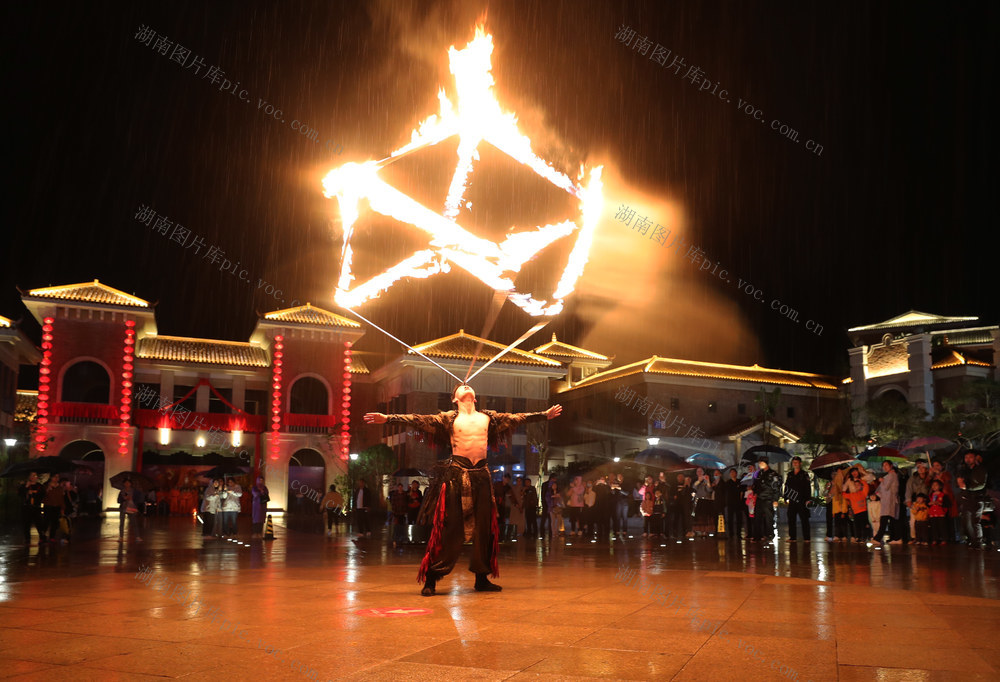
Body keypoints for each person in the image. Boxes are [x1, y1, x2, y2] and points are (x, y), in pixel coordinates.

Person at [364, 383, 561, 595]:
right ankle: (431, 578)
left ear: (475, 398)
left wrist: (544, 414)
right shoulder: (447, 419)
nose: (466, 386)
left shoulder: (489, 418)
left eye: (469, 386)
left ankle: (482, 578)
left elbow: (518, 417)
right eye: (461, 387)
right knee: (450, 527)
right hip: (457, 475)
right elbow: (416, 419)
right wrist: (388, 418)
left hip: (482, 475)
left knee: (485, 527)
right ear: (454, 398)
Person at [956, 451, 988, 549]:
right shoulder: (964, 469)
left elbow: (981, 484)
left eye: (970, 457)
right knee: (966, 521)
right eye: (966, 457)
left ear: (975, 458)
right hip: (966, 498)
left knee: (975, 521)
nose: (968, 459)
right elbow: (959, 482)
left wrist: (967, 487)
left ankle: (978, 541)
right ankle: (971, 540)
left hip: (977, 498)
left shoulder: (980, 469)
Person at [751, 457, 781, 546]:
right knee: (757, 518)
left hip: (768, 498)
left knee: (768, 519)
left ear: (766, 463)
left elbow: (776, 487)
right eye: (759, 462)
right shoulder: (759, 473)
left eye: (761, 462)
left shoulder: (773, 474)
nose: (760, 464)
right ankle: (757, 536)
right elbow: (756, 485)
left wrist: (775, 499)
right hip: (760, 498)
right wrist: (755, 491)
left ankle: (769, 536)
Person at [872, 461, 900, 547]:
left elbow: (886, 487)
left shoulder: (892, 475)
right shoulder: (889, 475)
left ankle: (878, 538)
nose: (885, 467)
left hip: (890, 500)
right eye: (883, 465)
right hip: (887, 501)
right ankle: (895, 538)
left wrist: (882, 481)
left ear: (891, 466)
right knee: (891, 520)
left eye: (886, 465)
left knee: (884, 519)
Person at [784, 456, 812, 542]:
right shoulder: (790, 474)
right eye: (793, 462)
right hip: (792, 500)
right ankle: (793, 537)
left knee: (804, 519)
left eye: (796, 462)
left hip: (802, 500)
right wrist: (785, 497)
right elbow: (787, 486)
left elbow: (808, 487)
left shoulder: (804, 474)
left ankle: (806, 537)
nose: (795, 464)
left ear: (800, 463)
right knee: (791, 518)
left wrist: (808, 499)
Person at [905, 461, 931, 540]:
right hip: (916, 501)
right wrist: (908, 500)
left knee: (926, 521)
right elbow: (908, 489)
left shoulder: (929, 477)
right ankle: (914, 537)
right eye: (918, 467)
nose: (920, 469)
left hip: (926, 502)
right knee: (913, 521)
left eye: (922, 467)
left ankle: (926, 538)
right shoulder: (913, 478)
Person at [843, 467, 870, 542]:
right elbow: (843, 492)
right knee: (857, 524)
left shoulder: (863, 492)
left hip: (863, 510)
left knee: (864, 524)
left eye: (855, 471)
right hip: (856, 511)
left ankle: (864, 537)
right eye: (852, 472)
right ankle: (858, 537)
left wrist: (861, 478)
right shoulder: (852, 493)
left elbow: (866, 484)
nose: (854, 473)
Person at [18, 472, 45, 545]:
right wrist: (26, 488)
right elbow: (20, 494)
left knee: (39, 523)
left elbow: (42, 495)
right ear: (29, 477)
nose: (35, 477)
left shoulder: (39, 486)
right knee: (27, 523)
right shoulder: (25, 485)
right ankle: (27, 538)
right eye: (33, 475)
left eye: (36, 475)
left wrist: (35, 493)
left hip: (36, 507)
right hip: (27, 507)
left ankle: (42, 537)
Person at [117, 479, 144, 543]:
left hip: (132, 508)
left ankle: (137, 537)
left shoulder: (135, 491)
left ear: (130, 484)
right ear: (124, 484)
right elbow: (118, 500)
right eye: (125, 483)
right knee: (122, 523)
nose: (127, 484)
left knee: (134, 523)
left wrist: (133, 499)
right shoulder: (122, 491)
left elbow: (139, 499)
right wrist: (124, 499)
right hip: (123, 508)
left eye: (128, 483)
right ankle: (121, 537)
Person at [721, 469, 744, 540]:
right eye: (731, 473)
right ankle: (731, 534)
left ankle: (738, 534)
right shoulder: (728, 483)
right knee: (730, 519)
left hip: (738, 503)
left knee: (739, 519)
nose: (732, 474)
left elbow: (741, 492)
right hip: (730, 503)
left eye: (733, 472)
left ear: (736, 473)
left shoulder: (740, 482)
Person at [42, 474, 66, 543]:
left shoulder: (59, 487)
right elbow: (43, 497)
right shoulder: (46, 486)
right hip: (48, 506)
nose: (56, 478)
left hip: (56, 507)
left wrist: (62, 508)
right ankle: (43, 535)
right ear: (51, 478)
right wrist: (47, 489)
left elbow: (61, 498)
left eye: (58, 477)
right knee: (46, 521)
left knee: (54, 522)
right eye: (55, 477)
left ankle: (52, 536)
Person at [692, 468, 714, 536]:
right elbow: (693, 488)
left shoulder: (706, 479)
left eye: (700, 471)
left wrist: (707, 481)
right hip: (699, 500)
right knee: (699, 516)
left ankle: (706, 531)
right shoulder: (695, 480)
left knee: (706, 516)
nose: (699, 472)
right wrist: (699, 480)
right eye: (698, 471)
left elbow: (709, 489)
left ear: (703, 472)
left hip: (707, 500)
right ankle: (699, 530)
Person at [928, 479, 948, 545]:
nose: (934, 486)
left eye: (936, 485)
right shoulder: (930, 495)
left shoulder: (943, 495)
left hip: (940, 513)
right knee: (934, 527)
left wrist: (939, 503)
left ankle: (944, 539)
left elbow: (946, 504)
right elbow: (927, 503)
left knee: (942, 527)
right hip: (932, 514)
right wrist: (929, 503)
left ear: (940, 486)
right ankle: (934, 539)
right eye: (933, 485)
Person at [593, 475, 612, 542]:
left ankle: (606, 534)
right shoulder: (597, 487)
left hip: (606, 505)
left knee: (606, 520)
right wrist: (596, 483)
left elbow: (609, 492)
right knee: (599, 521)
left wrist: (606, 484)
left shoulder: (606, 486)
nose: (601, 481)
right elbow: (593, 490)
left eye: (603, 479)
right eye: (600, 479)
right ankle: (599, 533)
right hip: (598, 505)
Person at [611, 474, 629, 539]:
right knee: (617, 517)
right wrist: (612, 489)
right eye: (618, 477)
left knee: (624, 517)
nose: (619, 478)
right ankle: (617, 530)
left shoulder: (626, 484)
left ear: (623, 477)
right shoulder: (616, 483)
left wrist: (620, 489)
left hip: (624, 503)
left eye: (620, 476)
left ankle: (624, 531)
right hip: (618, 503)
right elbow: (613, 493)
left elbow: (627, 493)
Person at [390, 483, 408, 547]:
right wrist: (394, 511)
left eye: (401, 487)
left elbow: (406, 502)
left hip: (402, 512)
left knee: (402, 525)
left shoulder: (404, 494)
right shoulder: (395, 494)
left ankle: (401, 538)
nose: (400, 488)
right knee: (396, 525)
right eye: (399, 487)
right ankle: (395, 538)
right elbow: (393, 503)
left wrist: (405, 511)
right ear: (398, 488)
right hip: (397, 512)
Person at [508, 477, 525, 541]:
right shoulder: (513, 488)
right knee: (514, 519)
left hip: (521, 506)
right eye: (518, 481)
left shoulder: (523, 489)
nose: (519, 482)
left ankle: (520, 531)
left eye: (520, 481)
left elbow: (524, 498)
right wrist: (515, 504)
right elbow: (510, 496)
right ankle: (513, 531)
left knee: (521, 519)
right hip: (514, 506)